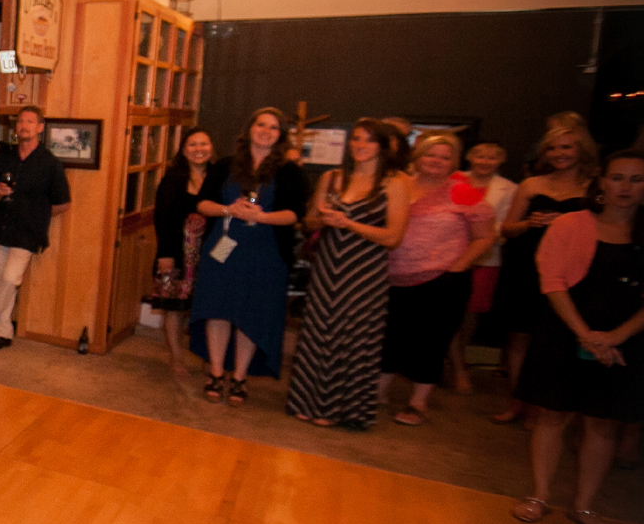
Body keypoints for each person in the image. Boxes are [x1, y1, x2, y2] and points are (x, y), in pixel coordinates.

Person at [510, 149, 644, 524]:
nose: (625, 187)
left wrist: (616, 337)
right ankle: (539, 495)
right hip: (565, 331)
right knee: (553, 415)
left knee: (603, 423)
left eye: (636, 180)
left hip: (623, 340)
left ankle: (584, 505)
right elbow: (551, 281)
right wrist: (585, 334)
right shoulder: (571, 224)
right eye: (618, 178)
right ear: (601, 181)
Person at [285, 120, 410, 428]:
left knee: (352, 339)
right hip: (328, 268)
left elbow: (393, 237)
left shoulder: (395, 183)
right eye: (355, 139)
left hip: (364, 273)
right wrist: (323, 220)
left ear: (381, 146)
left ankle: (339, 409)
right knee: (317, 334)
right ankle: (306, 401)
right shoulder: (333, 178)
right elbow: (309, 223)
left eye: (368, 141)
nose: (360, 145)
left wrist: (349, 223)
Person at [190, 108, 310, 404]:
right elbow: (202, 204)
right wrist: (230, 210)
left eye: (274, 128)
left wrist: (261, 216)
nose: (266, 131)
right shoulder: (226, 166)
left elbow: (295, 215)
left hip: (266, 254)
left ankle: (240, 377)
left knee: (251, 314)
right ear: (249, 128)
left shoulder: (290, 172)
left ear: (281, 136)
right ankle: (217, 373)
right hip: (223, 250)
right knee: (217, 310)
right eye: (261, 124)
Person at [378, 133, 495, 425]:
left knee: (429, 343)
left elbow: (485, 237)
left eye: (444, 157)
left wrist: (459, 266)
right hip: (394, 279)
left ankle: (418, 403)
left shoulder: (461, 191)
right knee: (388, 339)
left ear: (453, 163)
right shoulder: (399, 185)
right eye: (431, 154)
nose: (436, 161)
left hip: (442, 282)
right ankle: (377, 394)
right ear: (418, 156)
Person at [491, 121, 599, 423]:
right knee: (518, 339)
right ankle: (517, 403)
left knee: (558, 341)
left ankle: (551, 409)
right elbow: (507, 229)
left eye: (566, 147)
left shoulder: (595, 185)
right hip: (527, 267)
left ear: (582, 150)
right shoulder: (532, 185)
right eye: (552, 147)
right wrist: (530, 223)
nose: (558, 153)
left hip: (572, 271)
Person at [0, 105, 70, 351]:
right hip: (1, 229)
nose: (23, 126)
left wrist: (37, 213)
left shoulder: (50, 163)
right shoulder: (5, 158)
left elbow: (63, 204)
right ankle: (3, 333)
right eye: (20, 121)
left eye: (29, 122)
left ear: (39, 127)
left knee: (10, 280)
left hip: (28, 232)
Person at [447, 141, 519, 393]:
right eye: (480, 156)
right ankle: (458, 368)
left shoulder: (509, 189)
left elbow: (505, 224)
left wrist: (480, 233)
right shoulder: (452, 179)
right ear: (469, 157)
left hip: (485, 258)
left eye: (492, 157)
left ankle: (458, 357)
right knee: (449, 311)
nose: (485, 161)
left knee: (469, 314)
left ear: (501, 161)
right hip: (448, 254)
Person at [150, 127, 222, 375]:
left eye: (203, 144)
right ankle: (176, 357)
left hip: (212, 253)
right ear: (183, 150)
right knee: (174, 307)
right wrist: (165, 254)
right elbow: (162, 218)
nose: (198, 149)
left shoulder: (220, 177)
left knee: (208, 308)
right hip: (177, 252)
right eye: (192, 145)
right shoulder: (172, 178)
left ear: (212, 147)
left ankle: (209, 356)